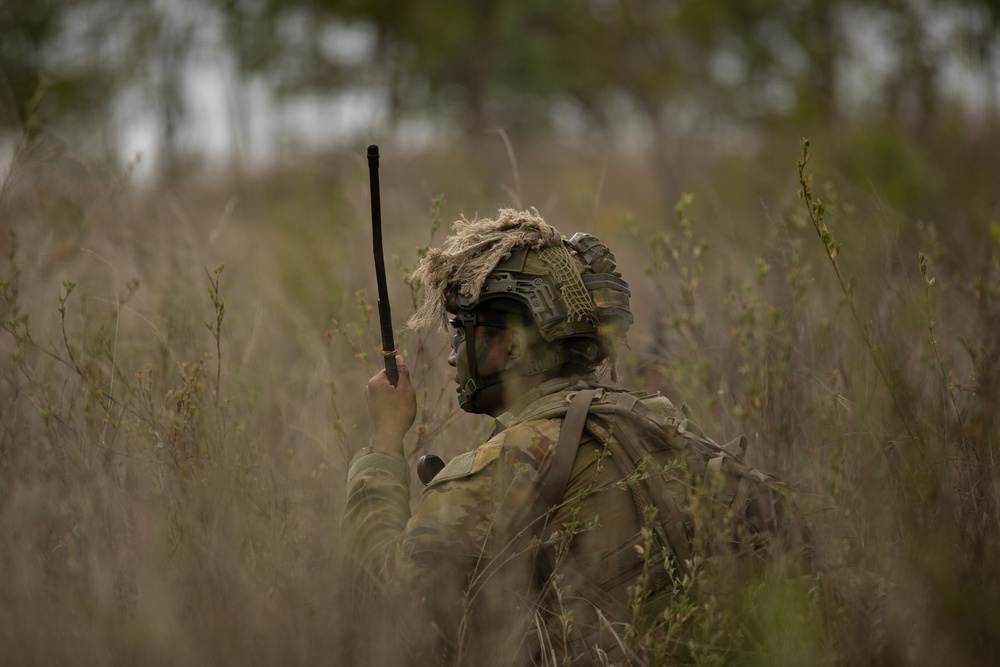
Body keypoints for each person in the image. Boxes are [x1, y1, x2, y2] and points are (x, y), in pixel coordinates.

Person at [342, 208, 784, 666]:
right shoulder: (657, 421)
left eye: (461, 332)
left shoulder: (517, 458)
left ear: (512, 346)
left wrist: (384, 444)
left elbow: (387, 596)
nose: (454, 358)